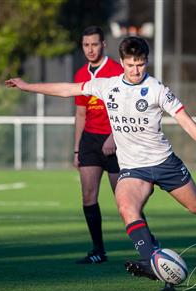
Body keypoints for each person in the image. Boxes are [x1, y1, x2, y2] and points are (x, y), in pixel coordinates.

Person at [5, 36, 196, 279]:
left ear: (146, 62)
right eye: (130, 64)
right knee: (126, 207)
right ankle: (151, 261)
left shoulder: (158, 90)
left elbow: (186, 122)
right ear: (122, 62)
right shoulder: (107, 86)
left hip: (163, 163)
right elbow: (66, 89)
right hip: (132, 168)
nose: (136, 70)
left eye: (140, 64)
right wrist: (27, 86)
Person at [72, 26, 123, 264]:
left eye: (94, 44)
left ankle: (150, 246)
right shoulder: (81, 73)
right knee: (88, 196)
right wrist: (76, 149)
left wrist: (113, 137)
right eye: (86, 45)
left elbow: (125, 109)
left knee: (125, 200)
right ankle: (98, 251)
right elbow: (80, 114)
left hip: (116, 141)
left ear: (103, 44)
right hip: (90, 142)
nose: (90, 49)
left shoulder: (117, 71)